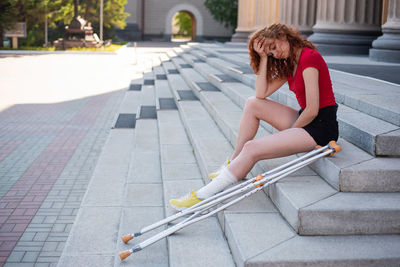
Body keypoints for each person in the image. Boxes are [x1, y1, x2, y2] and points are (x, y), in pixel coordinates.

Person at [169, 23, 339, 211]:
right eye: (270, 53)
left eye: (273, 47)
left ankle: (203, 196)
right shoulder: (289, 62)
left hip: (322, 128)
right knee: (252, 103)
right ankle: (233, 164)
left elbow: (313, 109)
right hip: (306, 120)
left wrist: (288, 134)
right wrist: (264, 58)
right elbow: (261, 93)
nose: (276, 53)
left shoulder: (309, 57)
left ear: (283, 36)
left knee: (251, 148)